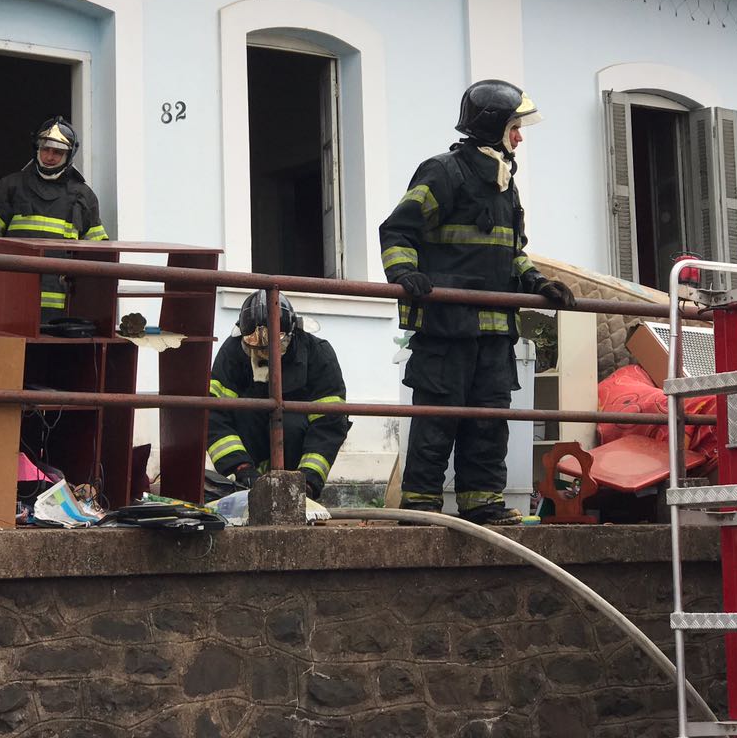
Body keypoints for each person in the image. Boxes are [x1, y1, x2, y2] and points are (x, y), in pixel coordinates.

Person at [379, 79, 576, 525]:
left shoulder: (506, 185)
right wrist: (404, 273)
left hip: (495, 331)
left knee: (488, 422)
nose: (519, 137)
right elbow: (398, 230)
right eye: (514, 127)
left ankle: (482, 504)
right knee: (436, 421)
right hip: (446, 328)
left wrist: (539, 282)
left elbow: (513, 253)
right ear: (493, 127)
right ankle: (421, 508)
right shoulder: (443, 172)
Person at [206, 291, 351, 500]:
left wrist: (307, 481)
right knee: (245, 413)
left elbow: (329, 422)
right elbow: (214, 415)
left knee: (290, 422)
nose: (263, 354)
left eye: (274, 345)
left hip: (295, 446)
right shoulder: (232, 352)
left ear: (292, 332)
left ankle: (291, 487)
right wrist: (240, 467)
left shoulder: (317, 353)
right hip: (248, 454)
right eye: (255, 346)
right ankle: (249, 488)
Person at [0, 116, 108, 321]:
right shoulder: (10, 187)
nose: (49, 156)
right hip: (14, 304)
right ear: (37, 148)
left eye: (57, 152)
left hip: (65, 311)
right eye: (45, 149)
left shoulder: (84, 196)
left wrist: (94, 294)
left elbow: (98, 250)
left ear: (69, 155)